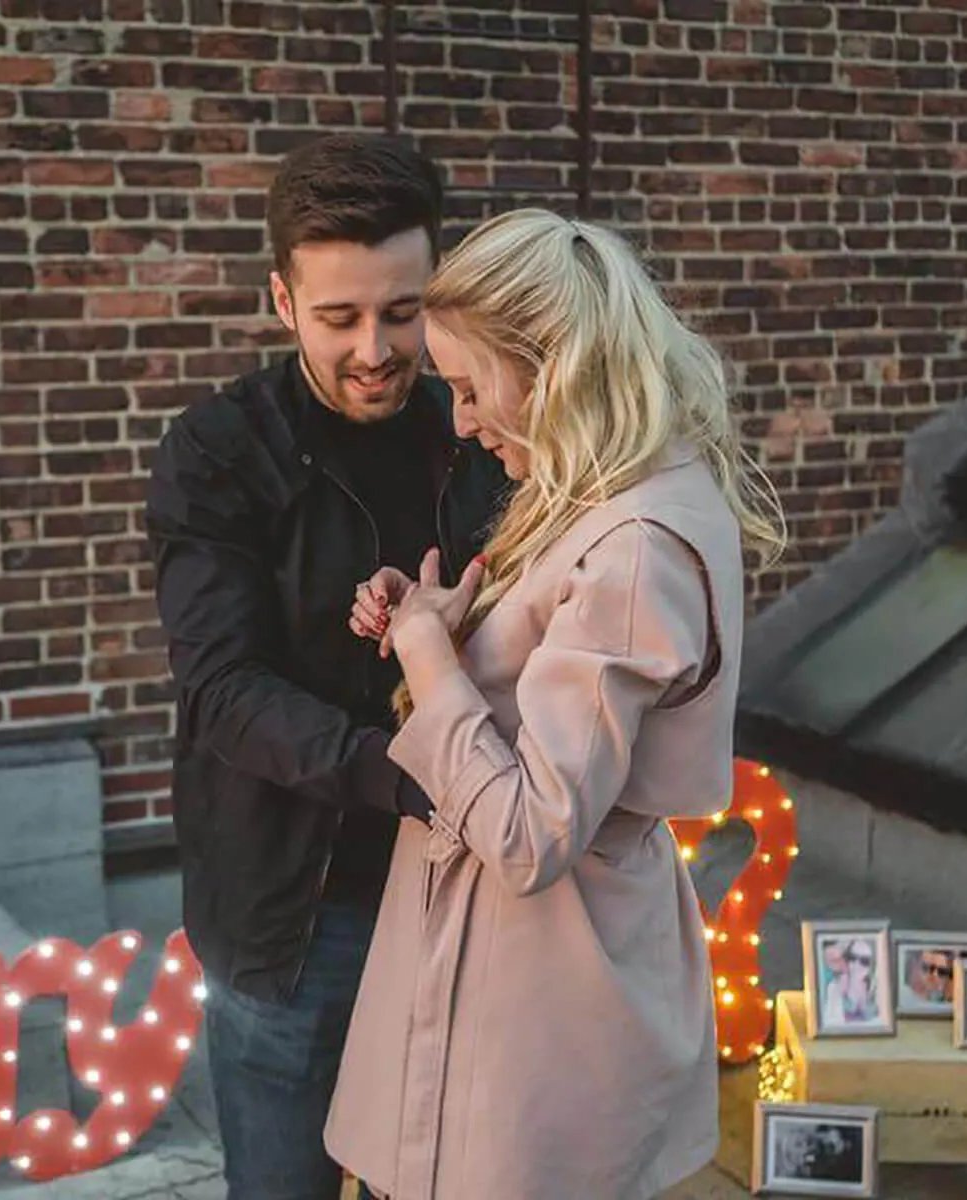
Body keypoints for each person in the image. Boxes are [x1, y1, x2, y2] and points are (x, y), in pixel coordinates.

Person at [326, 208, 786, 1198]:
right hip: (517, 980)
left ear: (554, 364)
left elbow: (534, 834)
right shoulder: (617, 492)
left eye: (469, 386)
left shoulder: (632, 545)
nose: (459, 419)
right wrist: (442, 635)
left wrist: (426, 656)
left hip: (531, 999)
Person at [144, 133, 510, 1199]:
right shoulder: (216, 451)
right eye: (339, 316)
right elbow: (221, 690)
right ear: (281, 300)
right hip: (292, 918)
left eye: (403, 312)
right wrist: (409, 769)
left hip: (465, 889)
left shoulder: (479, 425)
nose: (376, 348)